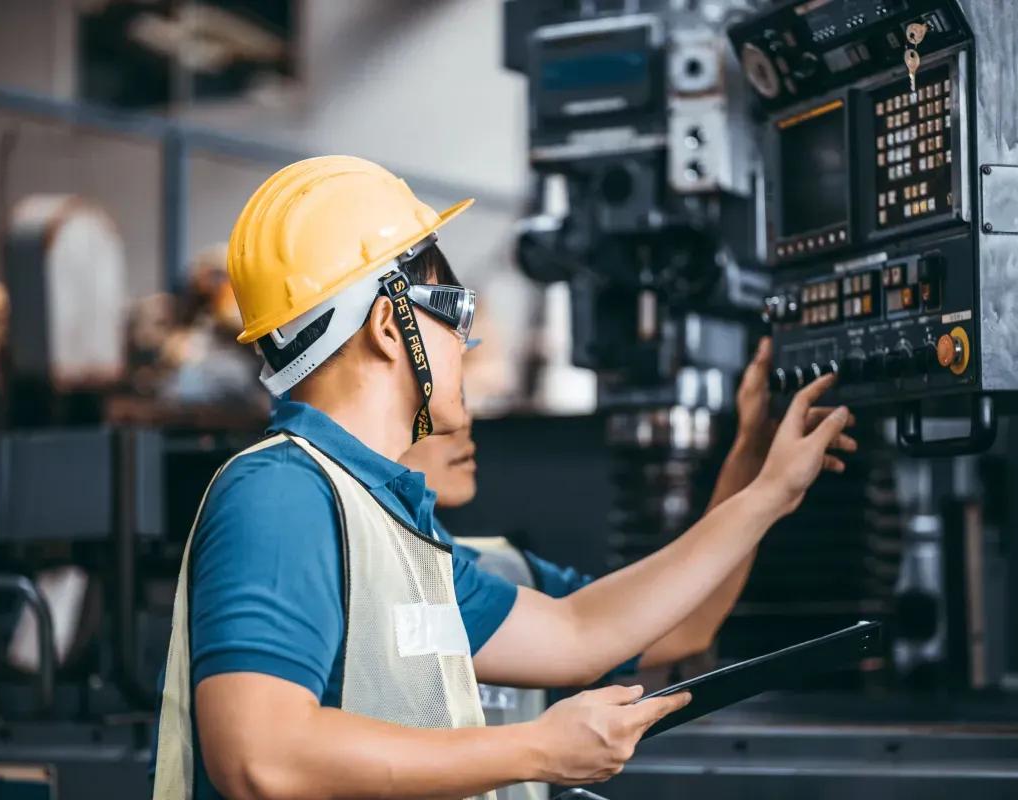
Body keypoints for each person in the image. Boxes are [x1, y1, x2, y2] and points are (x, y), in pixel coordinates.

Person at [151, 155, 855, 800]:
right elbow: (260, 754)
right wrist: (536, 749)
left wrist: (769, 493)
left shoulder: (392, 525)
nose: (468, 338)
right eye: (452, 309)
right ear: (388, 328)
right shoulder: (281, 495)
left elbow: (580, 632)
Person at [401, 335, 832, 674]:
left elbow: (681, 625)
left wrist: (753, 456)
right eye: (442, 395)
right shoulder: (398, 576)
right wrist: (770, 493)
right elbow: (579, 634)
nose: (461, 420)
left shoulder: (500, 572)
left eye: (461, 394)